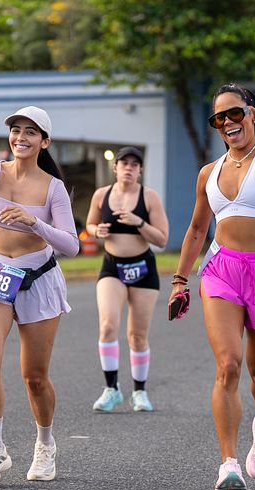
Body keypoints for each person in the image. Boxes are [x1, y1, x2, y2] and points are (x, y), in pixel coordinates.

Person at [169, 83, 255, 490]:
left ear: (254, 113)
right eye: (218, 117)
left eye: (235, 113)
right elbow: (197, 229)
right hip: (221, 271)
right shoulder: (210, 171)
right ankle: (228, 465)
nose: (227, 123)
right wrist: (180, 280)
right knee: (229, 365)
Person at [0, 106, 79, 483]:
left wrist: (36, 222)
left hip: (39, 278)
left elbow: (72, 245)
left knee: (34, 376)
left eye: (31, 132)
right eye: (16, 130)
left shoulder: (53, 187)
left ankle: (45, 444)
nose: (21, 137)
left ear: (44, 142)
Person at [84, 147, 169, 413]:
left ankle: (140, 392)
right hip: (112, 267)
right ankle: (112, 389)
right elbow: (88, 226)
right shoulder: (102, 195)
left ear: (140, 170)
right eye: (124, 164)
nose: (129, 168)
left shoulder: (149, 197)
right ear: (116, 168)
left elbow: (162, 239)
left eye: (134, 164)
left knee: (137, 334)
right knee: (108, 325)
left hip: (143, 268)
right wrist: (96, 231)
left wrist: (138, 222)